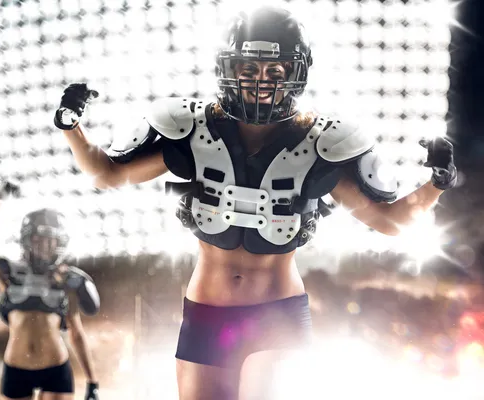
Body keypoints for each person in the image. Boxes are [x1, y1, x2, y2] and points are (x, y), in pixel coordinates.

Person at [54, 7, 457, 400]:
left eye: (275, 71)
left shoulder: (319, 142)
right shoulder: (194, 130)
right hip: (206, 312)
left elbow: (390, 221)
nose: (261, 81)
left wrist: (436, 184)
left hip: (276, 314)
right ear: (229, 70)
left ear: (295, 74)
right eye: (249, 69)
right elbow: (107, 173)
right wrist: (73, 126)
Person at [0, 181, 101, 400]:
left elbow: (76, 334)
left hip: (55, 368)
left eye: (50, 240)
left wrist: (93, 382)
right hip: (16, 369)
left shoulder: (67, 281)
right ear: (28, 239)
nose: (44, 245)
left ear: (59, 243)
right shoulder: (7, 275)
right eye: (39, 238)